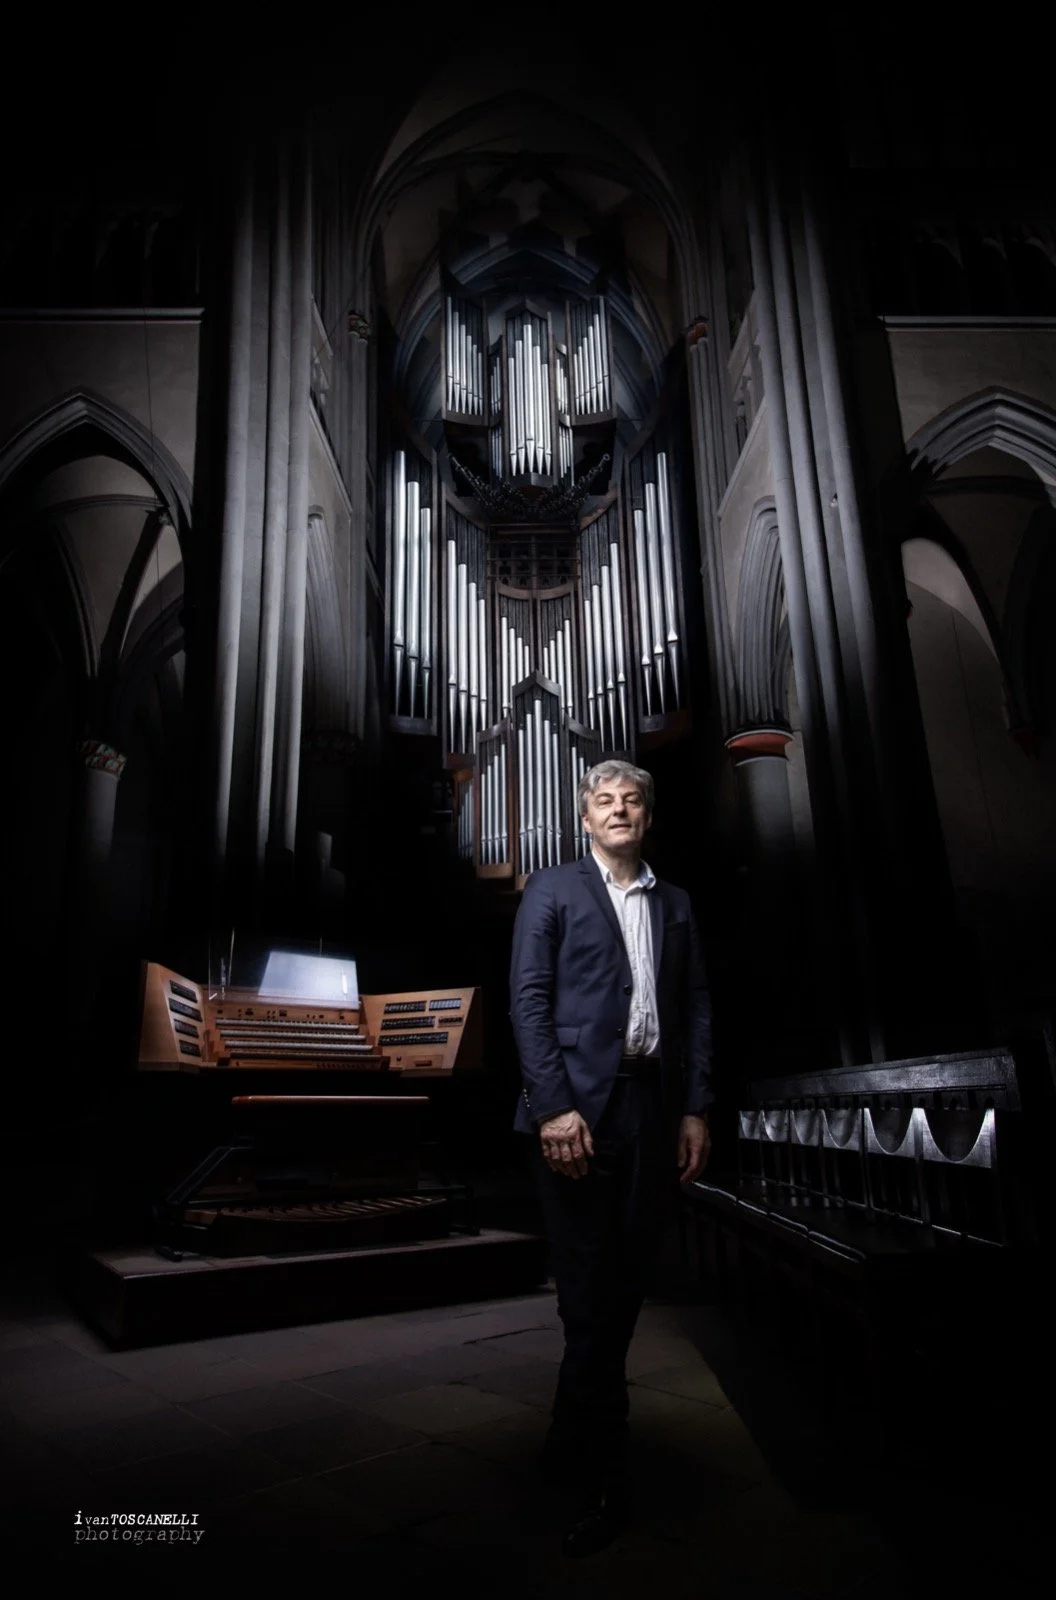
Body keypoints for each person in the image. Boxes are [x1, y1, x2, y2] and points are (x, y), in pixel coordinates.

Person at [509, 759, 713, 1558]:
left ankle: (568, 1441)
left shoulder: (677, 903)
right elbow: (528, 999)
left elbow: (695, 1006)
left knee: (626, 1286)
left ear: (647, 817)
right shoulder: (551, 889)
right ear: (585, 817)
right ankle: (607, 1475)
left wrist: (694, 1107)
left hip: (652, 1110)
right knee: (588, 1291)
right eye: (605, 800)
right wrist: (552, 1107)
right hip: (576, 1113)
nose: (620, 809)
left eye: (632, 800)